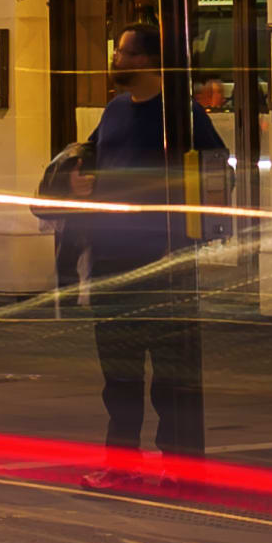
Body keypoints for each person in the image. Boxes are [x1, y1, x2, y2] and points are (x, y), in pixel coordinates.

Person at [76, 49, 230, 464]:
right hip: (112, 263)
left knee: (170, 377)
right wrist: (79, 182)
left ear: (145, 59)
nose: (115, 57)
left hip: (162, 264)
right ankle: (122, 463)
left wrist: (185, 235)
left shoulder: (183, 115)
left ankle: (179, 464)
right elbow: (88, 160)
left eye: (124, 51)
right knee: (119, 378)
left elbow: (218, 170)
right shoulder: (114, 112)